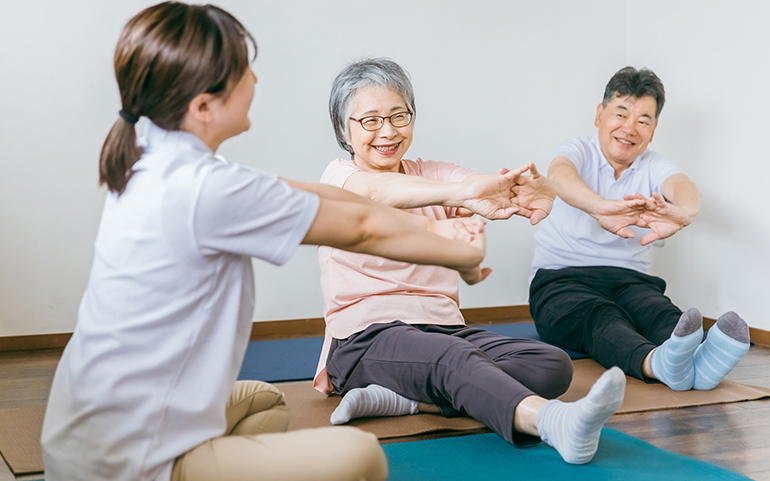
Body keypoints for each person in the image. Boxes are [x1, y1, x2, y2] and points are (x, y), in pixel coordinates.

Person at [39, 5, 495, 481]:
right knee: (361, 456)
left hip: (83, 430)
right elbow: (362, 225)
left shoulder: (157, 153)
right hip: (125, 457)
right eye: (242, 70)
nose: (254, 78)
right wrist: (460, 252)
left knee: (265, 404)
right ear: (203, 106)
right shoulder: (205, 190)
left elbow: (320, 195)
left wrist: (460, 204)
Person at [314, 57, 627, 465]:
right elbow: (377, 193)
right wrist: (458, 195)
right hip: (364, 338)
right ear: (344, 129)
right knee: (456, 362)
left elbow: (484, 187)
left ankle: (407, 401)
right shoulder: (339, 178)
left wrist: (533, 190)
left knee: (550, 364)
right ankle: (552, 423)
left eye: (398, 116)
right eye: (370, 121)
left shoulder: (433, 172)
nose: (387, 131)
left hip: (442, 330)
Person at [529, 66, 750, 392]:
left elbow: (685, 187)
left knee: (658, 311)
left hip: (630, 280)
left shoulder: (653, 164)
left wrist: (682, 213)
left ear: (653, 129)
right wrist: (599, 206)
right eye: (621, 114)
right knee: (601, 316)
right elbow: (559, 176)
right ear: (599, 115)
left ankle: (701, 366)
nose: (630, 128)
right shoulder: (578, 150)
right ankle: (656, 364)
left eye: (643, 120)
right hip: (561, 280)